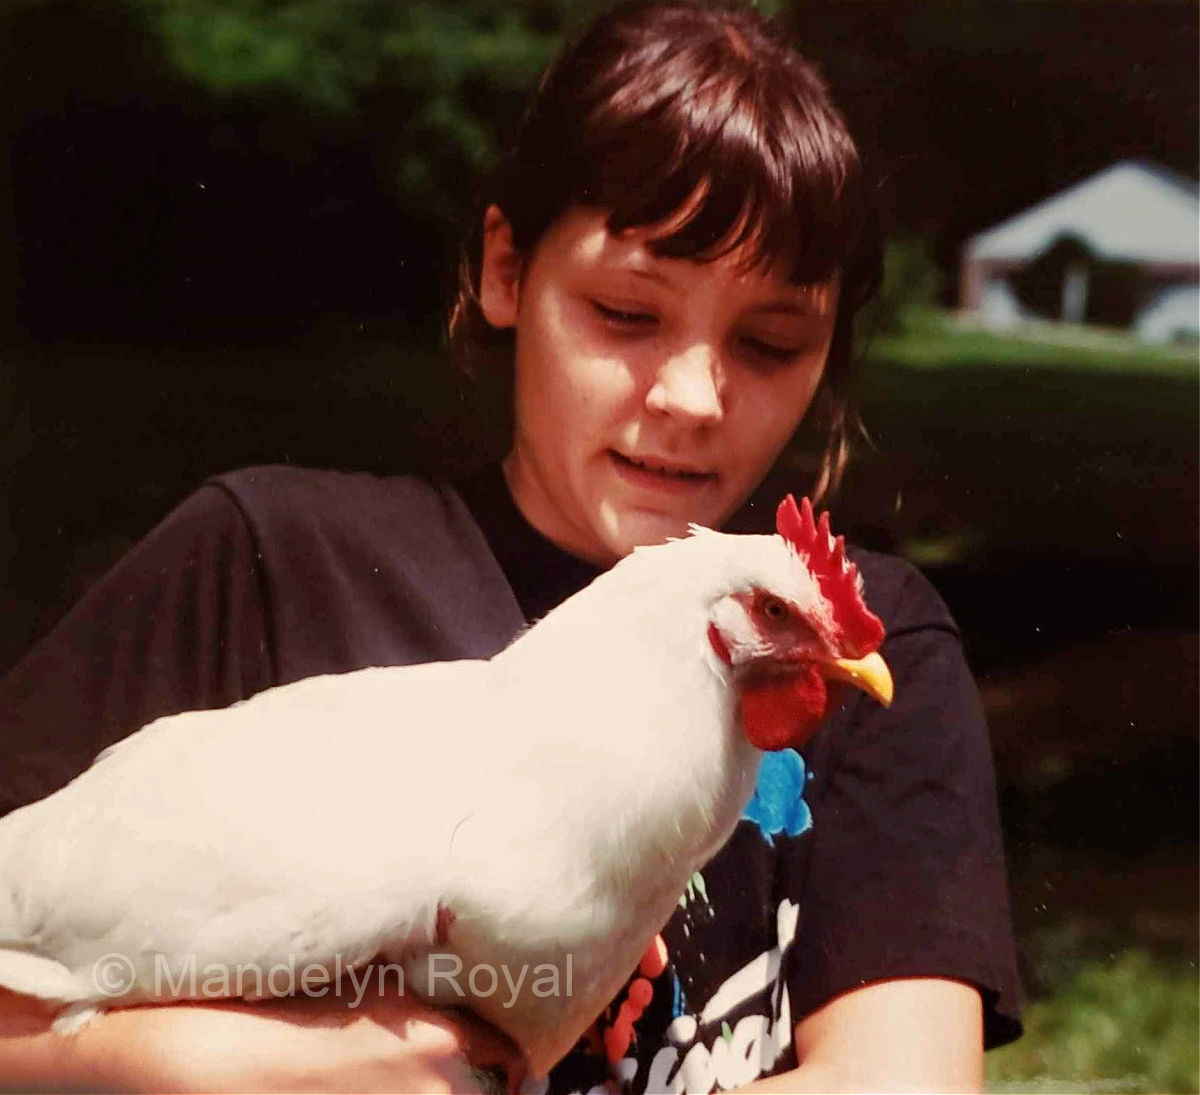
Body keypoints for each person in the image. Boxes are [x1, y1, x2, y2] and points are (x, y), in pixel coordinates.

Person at [0, 2, 1021, 1091]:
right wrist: (162, 1066)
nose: (690, 398)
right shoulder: (263, 561)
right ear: (504, 269)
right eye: (627, 313)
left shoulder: (885, 650)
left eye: (771, 343)